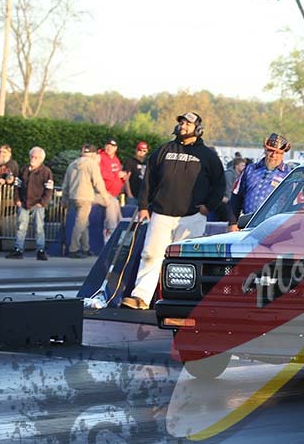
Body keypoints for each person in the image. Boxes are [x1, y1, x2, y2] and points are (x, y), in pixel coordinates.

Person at [121, 112, 225, 309]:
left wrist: (209, 206)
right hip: (161, 213)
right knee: (150, 255)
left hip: (192, 216)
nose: (183, 126)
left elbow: (219, 184)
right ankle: (141, 297)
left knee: (186, 261)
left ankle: (183, 300)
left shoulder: (208, 156)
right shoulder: (163, 150)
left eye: (188, 123)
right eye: (181, 122)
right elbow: (149, 180)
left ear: (198, 129)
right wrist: (143, 206)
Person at [227, 133, 293, 230]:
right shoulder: (250, 170)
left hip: (275, 228)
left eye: (278, 152)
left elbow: (295, 206)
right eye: (270, 150)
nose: (273, 155)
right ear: (265, 150)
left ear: (283, 153)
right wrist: (232, 222)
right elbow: (236, 197)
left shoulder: (289, 175)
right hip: (248, 226)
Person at [62, 144, 110, 258]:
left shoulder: (72, 164)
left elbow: (65, 184)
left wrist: (65, 199)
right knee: (80, 223)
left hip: (73, 197)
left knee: (84, 222)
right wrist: (105, 197)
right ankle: (73, 249)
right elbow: (98, 182)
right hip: (85, 197)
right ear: (93, 154)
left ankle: (85, 248)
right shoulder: (92, 164)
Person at [6, 147, 53, 261]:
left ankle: (40, 250)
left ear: (41, 159)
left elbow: (49, 189)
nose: (33, 159)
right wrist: (17, 199)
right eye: (32, 156)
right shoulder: (24, 169)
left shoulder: (46, 172)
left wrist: (42, 202)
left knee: (39, 228)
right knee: (21, 227)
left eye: (35, 157)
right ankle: (18, 249)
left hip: (37, 203)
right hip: (24, 202)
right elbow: (17, 185)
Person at [99, 138, 126, 238]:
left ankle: (119, 231)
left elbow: (117, 175)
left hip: (113, 194)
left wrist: (122, 178)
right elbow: (100, 174)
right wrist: (116, 175)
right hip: (102, 193)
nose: (109, 148)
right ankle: (110, 230)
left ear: (116, 148)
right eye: (108, 145)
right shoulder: (100, 157)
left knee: (115, 204)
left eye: (112, 146)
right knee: (110, 203)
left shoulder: (116, 159)